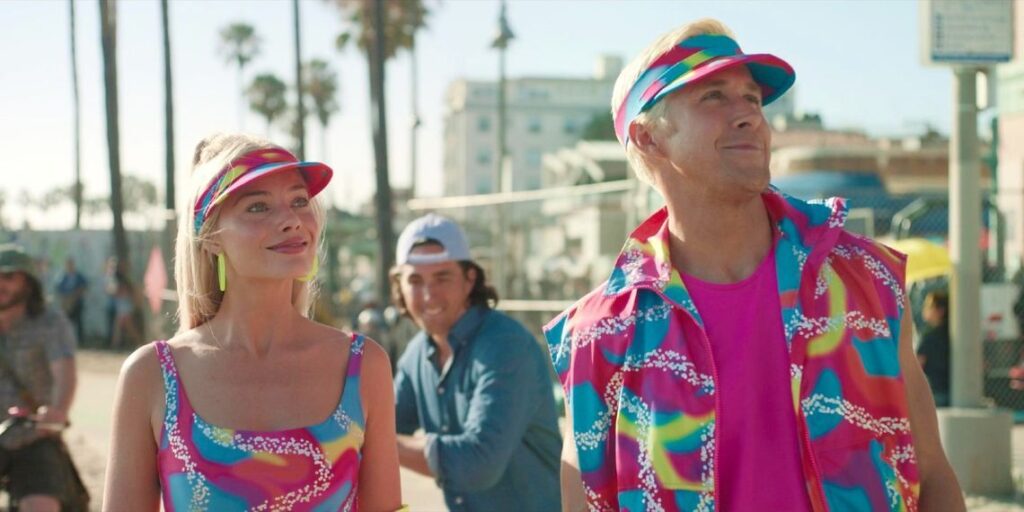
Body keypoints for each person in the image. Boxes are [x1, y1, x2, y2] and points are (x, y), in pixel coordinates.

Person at [544, 19, 963, 511]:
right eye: (713, 97)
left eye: (752, 99)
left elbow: (932, 473)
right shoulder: (600, 333)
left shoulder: (864, 280)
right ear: (648, 138)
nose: (748, 115)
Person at [103, 134, 402, 510]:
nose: (291, 221)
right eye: (258, 207)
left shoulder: (363, 365)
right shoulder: (152, 374)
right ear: (209, 237)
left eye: (299, 201)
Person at [390, 213, 561, 510]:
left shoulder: (506, 345)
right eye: (415, 280)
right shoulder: (417, 354)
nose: (429, 295)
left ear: (470, 280)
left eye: (442, 277)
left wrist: (374, 441)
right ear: (399, 286)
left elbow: (478, 464)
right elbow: (384, 421)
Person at [0, 244, 78, 512]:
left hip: (32, 436)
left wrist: (58, 410)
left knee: (41, 506)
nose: (1, 284)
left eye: (8, 277)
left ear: (28, 283)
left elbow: (64, 371)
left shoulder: (49, 322)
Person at [917, 291, 951, 407]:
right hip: (953, 390)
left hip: (936, 391)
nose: (925, 309)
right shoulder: (953, 333)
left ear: (940, 311)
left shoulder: (929, 336)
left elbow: (918, 365)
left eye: (929, 306)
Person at [54, 257, 89, 345]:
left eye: (71, 264)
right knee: (66, 322)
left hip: (77, 302)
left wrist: (74, 296)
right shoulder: (64, 277)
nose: (70, 266)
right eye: (68, 265)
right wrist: (66, 299)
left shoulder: (79, 276)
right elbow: (59, 289)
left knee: (78, 322)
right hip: (67, 304)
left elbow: (84, 287)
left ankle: (81, 340)